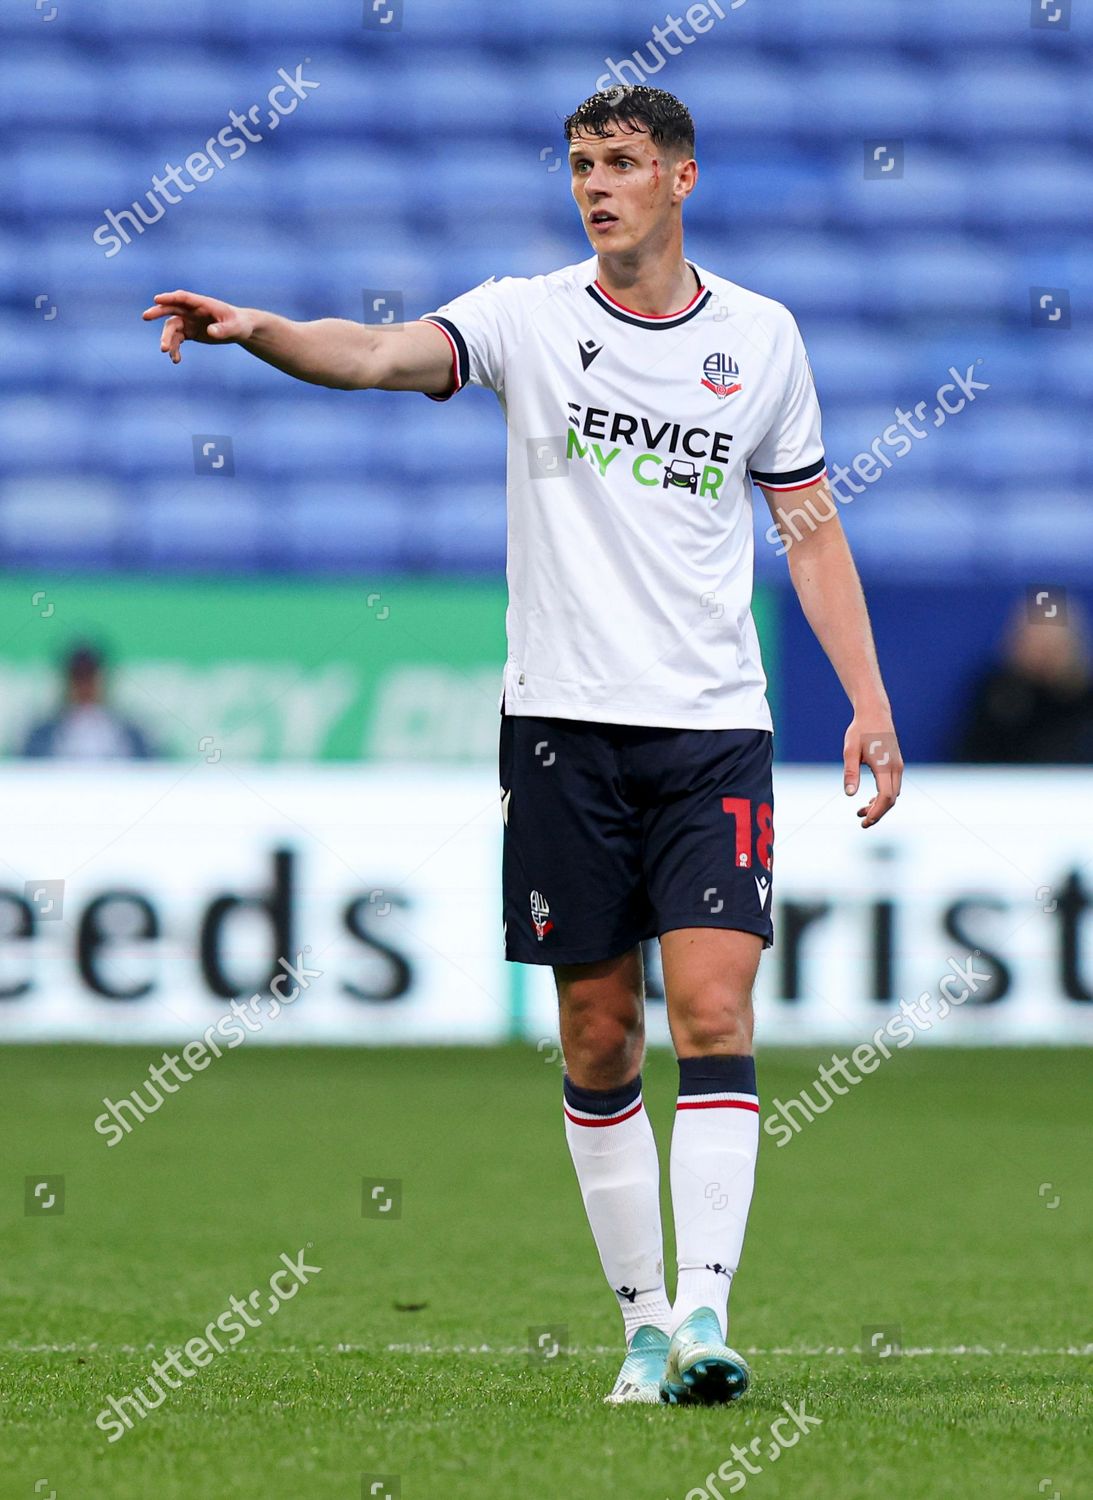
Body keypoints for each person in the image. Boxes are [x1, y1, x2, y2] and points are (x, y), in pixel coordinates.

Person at [142, 86, 902, 1406]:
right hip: (560, 728)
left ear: (679, 178)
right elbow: (376, 355)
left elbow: (809, 525)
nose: (595, 184)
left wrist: (868, 699)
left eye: (620, 162)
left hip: (714, 727)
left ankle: (708, 1314)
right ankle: (644, 1327)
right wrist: (261, 329)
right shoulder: (525, 317)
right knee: (600, 1032)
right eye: (580, 164)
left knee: (714, 1009)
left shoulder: (761, 338)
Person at [954, 598, 1093, 764]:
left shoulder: (1085, 700)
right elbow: (970, 754)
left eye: (1052, 642)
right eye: (1035, 639)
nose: (1043, 651)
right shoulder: (996, 693)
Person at [21, 643, 156, 760]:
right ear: (67, 682)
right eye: (78, 678)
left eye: (90, 678)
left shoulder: (131, 736)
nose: (85, 687)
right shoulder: (41, 738)